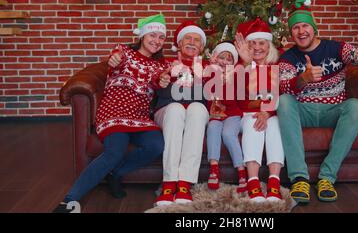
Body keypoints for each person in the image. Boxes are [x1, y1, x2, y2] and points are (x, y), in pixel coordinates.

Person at [53, 14, 167, 213]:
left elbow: (159, 79)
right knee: (115, 151)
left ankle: (116, 173)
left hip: (140, 117)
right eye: (153, 35)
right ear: (142, 36)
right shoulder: (123, 51)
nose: (157, 41)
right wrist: (114, 60)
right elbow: (116, 59)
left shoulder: (161, 64)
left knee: (156, 145)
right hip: (114, 112)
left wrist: (164, 80)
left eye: (161, 37)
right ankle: (69, 201)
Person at [276, 0, 358, 204]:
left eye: (305, 25)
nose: (301, 31)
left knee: (356, 106)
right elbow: (283, 87)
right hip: (303, 111)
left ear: (314, 28)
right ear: (292, 34)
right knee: (284, 101)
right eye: (296, 27)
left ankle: (327, 177)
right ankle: (299, 178)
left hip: (332, 110)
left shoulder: (337, 48)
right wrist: (303, 79)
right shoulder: (288, 58)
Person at [153, 21, 210, 206]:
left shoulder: (208, 66)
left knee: (197, 108)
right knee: (177, 109)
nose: (192, 42)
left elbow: (210, 95)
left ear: (201, 47)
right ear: (179, 43)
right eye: (188, 38)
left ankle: (184, 183)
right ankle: (169, 182)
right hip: (168, 110)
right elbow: (159, 90)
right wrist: (161, 81)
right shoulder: (166, 64)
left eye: (197, 40)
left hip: (195, 112)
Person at [234, 18, 285, 202]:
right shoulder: (240, 66)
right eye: (252, 43)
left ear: (269, 45)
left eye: (261, 43)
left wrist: (268, 112)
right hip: (245, 114)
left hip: (271, 113)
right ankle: (253, 182)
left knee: (274, 124)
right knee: (252, 123)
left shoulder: (276, 66)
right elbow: (239, 99)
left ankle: (274, 181)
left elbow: (279, 95)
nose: (257, 47)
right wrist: (249, 65)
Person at [205, 42, 247, 193]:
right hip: (216, 114)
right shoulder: (210, 74)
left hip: (232, 113)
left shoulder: (236, 76)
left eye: (228, 59)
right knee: (212, 128)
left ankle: (241, 170)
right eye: (221, 58)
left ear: (233, 63)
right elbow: (209, 98)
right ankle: (214, 168)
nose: (224, 62)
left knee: (228, 134)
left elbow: (231, 101)